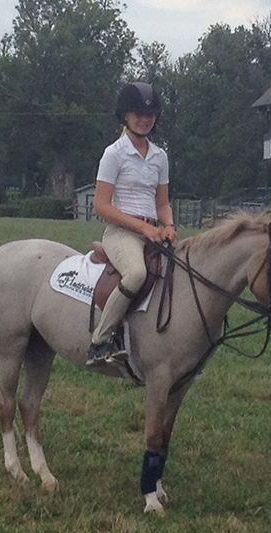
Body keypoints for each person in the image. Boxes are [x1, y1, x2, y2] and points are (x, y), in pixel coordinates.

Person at [87, 82, 178, 366]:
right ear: (125, 116)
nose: (145, 118)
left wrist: (169, 225)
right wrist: (143, 228)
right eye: (138, 113)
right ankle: (100, 341)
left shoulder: (160, 156)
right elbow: (101, 205)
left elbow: (162, 203)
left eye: (150, 114)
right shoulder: (113, 154)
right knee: (136, 274)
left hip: (153, 231)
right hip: (122, 232)